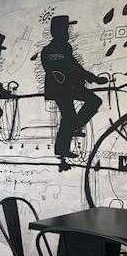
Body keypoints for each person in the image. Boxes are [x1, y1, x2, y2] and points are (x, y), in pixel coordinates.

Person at [41, 15, 108, 159]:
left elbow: (75, 66)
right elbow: (55, 70)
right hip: (59, 89)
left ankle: (74, 127)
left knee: (94, 101)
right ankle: (62, 147)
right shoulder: (49, 50)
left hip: (70, 87)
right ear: (57, 31)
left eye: (67, 30)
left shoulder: (66, 47)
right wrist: (78, 80)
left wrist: (93, 78)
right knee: (68, 117)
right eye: (65, 30)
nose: (67, 33)